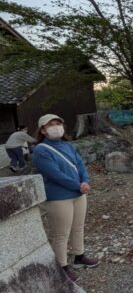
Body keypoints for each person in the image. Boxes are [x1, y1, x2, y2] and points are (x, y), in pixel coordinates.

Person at [32, 114, 98, 282]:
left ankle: (79, 256)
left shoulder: (68, 146)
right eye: (51, 125)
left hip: (78, 194)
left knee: (78, 227)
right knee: (61, 233)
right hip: (59, 197)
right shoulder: (41, 150)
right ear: (43, 130)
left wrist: (86, 180)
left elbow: (80, 164)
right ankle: (61, 266)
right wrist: (79, 185)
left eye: (58, 124)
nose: (56, 127)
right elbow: (54, 174)